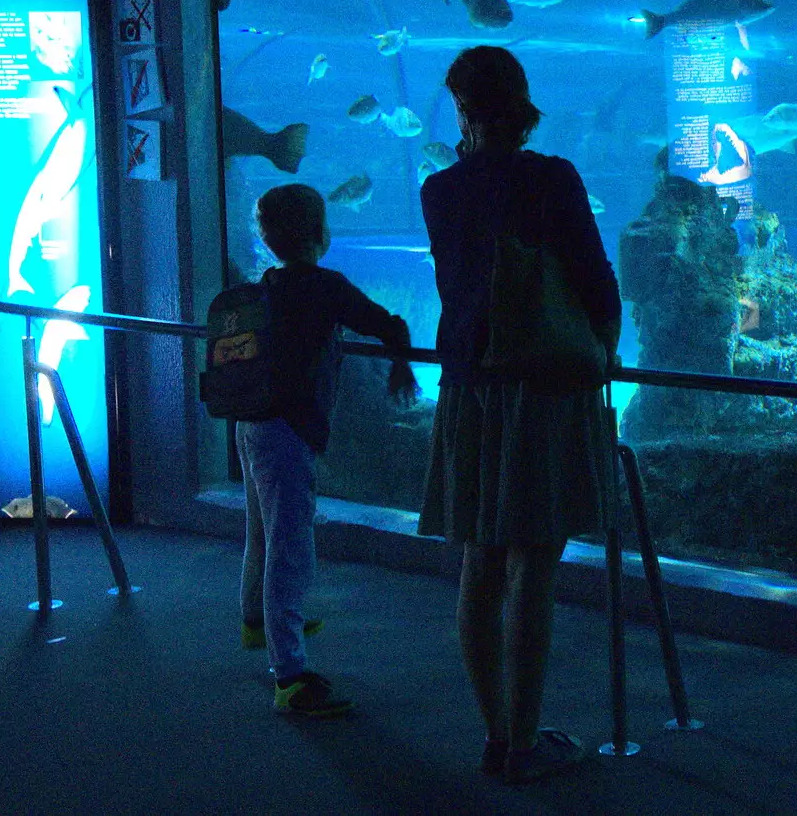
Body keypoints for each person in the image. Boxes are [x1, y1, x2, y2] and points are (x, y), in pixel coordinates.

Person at [418, 46, 621, 786]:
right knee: (533, 564)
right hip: (542, 388)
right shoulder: (552, 179)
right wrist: (606, 346)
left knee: (479, 559)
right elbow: (596, 282)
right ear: (522, 103)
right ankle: (525, 743)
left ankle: (496, 731)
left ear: (466, 110)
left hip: (470, 388)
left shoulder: (439, 191)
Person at [239, 182, 417, 717]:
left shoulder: (266, 284)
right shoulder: (325, 287)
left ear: (266, 239)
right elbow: (389, 323)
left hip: (252, 423)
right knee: (290, 547)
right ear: (322, 234)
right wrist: (401, 365)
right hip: (289, 431)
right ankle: (289, 675)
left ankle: (257, 623)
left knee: (262, 534)